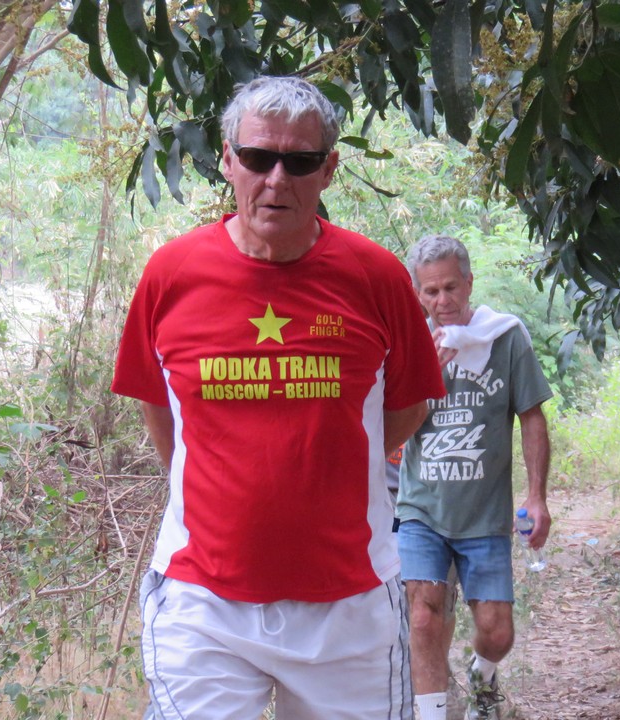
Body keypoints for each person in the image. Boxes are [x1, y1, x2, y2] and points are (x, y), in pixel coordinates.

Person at [110, 76, 445, 720]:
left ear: (329, 170)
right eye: (259, 157)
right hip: (203, 601)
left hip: (350, 604)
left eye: (300, 161)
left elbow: (407, 408)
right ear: (228, 161)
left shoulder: (376, 278)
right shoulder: (171, 275)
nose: (277, 179)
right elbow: (159, 405)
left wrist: (330, 453)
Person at [397, 234, 553, 720]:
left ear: (469, 282)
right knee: (423, 616)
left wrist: (537, 497)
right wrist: (424, 376)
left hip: (485, 514)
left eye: (450, 287)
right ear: (417, 293)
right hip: (422, 507)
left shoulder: (505, 337)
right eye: (430, 291)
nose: (442, 300)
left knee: (497, 631)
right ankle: (431, 714)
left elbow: (531, 416)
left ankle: (482, 675)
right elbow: (393, 427)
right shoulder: (409, 345)